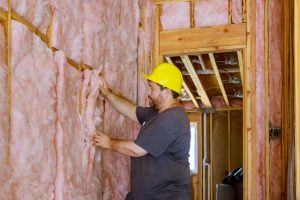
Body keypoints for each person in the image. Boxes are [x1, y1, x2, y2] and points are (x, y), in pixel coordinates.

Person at [93, 63, 191, 200]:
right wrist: (107, 93)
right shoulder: (158, 113)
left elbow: (137, 149)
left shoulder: (172, 119)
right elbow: (132, 110)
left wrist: (109, 143)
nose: (148, 93)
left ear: (167, 92)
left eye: (152, 88)